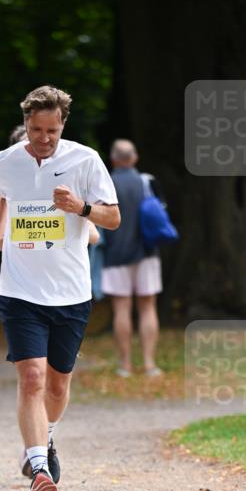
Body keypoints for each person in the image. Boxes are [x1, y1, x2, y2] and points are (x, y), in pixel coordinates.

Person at [0, 85, 120, 491]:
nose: (43, 138)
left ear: (63, 125)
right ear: (25, 124)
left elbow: (112, 217)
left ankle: (48, 435)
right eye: (36, 129)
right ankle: (38, 467)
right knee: (32, 379)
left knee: (58, 383)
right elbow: (6, 208)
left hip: (71, 293)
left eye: (51, 130)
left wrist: (80, 208)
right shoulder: (5, 162)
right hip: (20, 290)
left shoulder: (85, 159)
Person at [101, 139, 164, 377]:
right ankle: (149, 364)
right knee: (148, 307)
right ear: (134, 158)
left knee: (122, 308)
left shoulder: (107, 183)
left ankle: (125, 364)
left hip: (115, 254)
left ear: (114, 159)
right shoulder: (147, 181)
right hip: (147, 252)